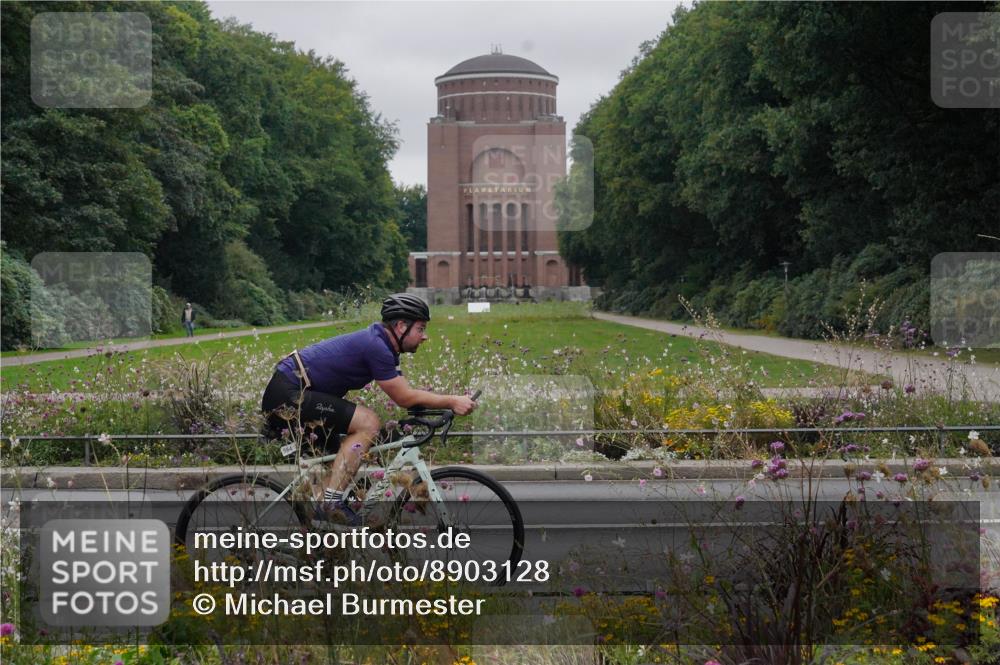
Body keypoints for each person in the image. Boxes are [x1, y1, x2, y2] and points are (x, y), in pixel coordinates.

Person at [261, 293, 477, 522]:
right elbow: (404, 397)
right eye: (421, 329)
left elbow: (406, 393)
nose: (424, 337)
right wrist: (452, 401)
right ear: (401, 326)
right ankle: (330, 503)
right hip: (288, 394)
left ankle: (320, 541)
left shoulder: (385, 346)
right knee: (368, 422)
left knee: (343, 466)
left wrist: (431, 411)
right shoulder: (377, 346)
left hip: (299, 391)